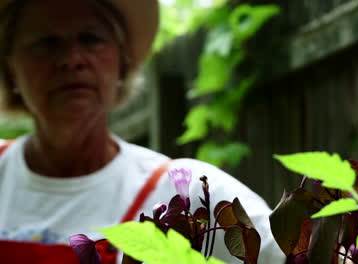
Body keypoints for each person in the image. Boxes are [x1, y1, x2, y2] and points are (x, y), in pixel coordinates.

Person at [0, 0, 285, 263]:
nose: (72, 59)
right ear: (9, 66)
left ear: (123, 62)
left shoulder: (186, 195)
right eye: (46, 43)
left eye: (91, 39)